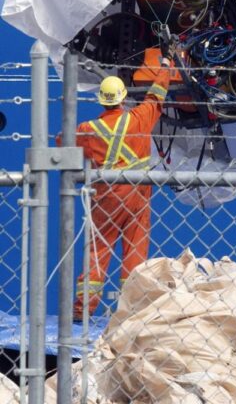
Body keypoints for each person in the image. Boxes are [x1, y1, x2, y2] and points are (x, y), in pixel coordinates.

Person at [73, 54, 172, 321]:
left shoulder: (87, 129)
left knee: (98, 250)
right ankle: (132, 310)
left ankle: (83, 311)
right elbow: (156, 97)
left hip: (105, 197)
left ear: (101, 100)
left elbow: (64, 144)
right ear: (124, 97)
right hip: (137, 194)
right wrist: (166, 67)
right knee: (135, 251)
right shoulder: (138, 118)